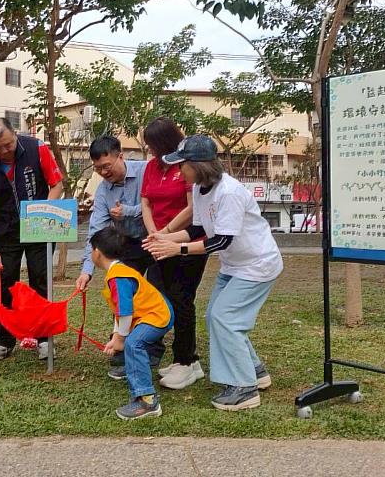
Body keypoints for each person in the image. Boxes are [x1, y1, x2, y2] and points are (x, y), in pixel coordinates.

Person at [143, 135, 282, 411]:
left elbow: (221, 241)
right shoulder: (200, 188)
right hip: (235, 265)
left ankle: (244, 388)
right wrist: (165, 239)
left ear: (198, 165)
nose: (178, 170)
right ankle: (254, 370)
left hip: (257, 265)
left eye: (182, 164)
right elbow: (199, 230)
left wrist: (177, 250)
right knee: (214, 316)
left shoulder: (228, 193)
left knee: (224, 318)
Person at [74, 135, 164, 378]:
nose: (103, 172)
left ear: (120, 156)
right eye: (98, 169)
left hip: (157, 239)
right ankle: (124, 346)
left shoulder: (147, 171)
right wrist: (86, 270)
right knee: (124, 296)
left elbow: (159, 205)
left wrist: (129, 211)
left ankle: (153, 350)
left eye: (107, 166)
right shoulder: (104, 191)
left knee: (156, 294)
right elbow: (96, 231)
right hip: (127, 247)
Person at [0, 117, 64, 361]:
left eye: (8, 144)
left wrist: (45, 211)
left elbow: (56, 184)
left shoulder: (37, 149)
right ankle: (4, 341)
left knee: (40, 280)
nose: (4, 151)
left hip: (39, 228)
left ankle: (45, 340)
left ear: (15, 135)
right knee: (7, 283)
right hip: (5, 233)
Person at [141, 118, 208, 390]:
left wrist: (166, 232)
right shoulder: (151, 167)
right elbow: (145, 201)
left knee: (182, 299)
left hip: (187, 242)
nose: (151, 152)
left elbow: (193, 208)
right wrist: (153, 233)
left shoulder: (186, 166)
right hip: (158, 240)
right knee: (157, 296)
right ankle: (183, 359)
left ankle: (186, 361)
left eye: (154, 146)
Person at [91, 226, 173, 420]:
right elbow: (119, 313)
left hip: (156, 316)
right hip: (152, 314)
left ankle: (147, 401)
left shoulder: (118, 275)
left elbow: (125, 313)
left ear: (97, 252)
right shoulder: (118, 271)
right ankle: (142, 376)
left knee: (133, 344)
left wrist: (121, 339)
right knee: (132, 343)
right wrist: (115, 337)